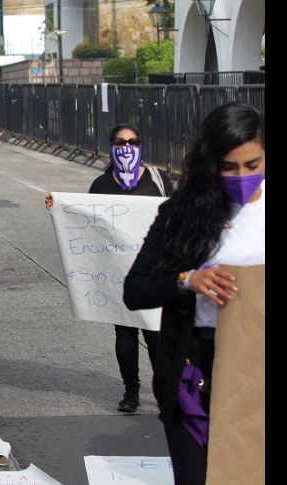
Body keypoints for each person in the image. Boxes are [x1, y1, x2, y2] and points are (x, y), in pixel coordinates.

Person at [123, 102, 264, 485]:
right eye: (229, 167)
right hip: (196, 367)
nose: (242, 177)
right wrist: (188, 280)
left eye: (253, 166)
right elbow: (134, 291)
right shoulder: (181, 214)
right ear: (210, 163)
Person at [46, 123, 174, 413]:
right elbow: (84, 219)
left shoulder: (158, 179)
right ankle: (131, 391)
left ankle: (164, 391)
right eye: (120, 142)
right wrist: (58, 205)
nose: (127, 147)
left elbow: (176, 212)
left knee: (155, 332)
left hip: (154, 268)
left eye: (133, 141)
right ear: (111, 146)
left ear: (141, 145)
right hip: (118, 272)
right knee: (125, 332)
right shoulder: (102, 185)